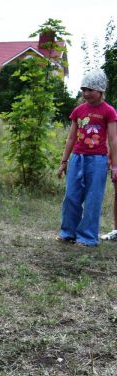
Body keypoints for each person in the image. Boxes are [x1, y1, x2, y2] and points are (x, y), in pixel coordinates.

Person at [57, 69, 117, 246]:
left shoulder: (109, 112)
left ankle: (87, 237)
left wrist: (114, 165)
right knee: (71, 196)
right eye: (83, 89)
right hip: (77, 158)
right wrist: (64, 161)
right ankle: (68, 232)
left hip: (97, 160)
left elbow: (113, 139)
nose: (86, 93)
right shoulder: (78, 111)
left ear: (100, 90)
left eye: (90, 89)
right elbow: (71, 138)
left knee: (93, 198)